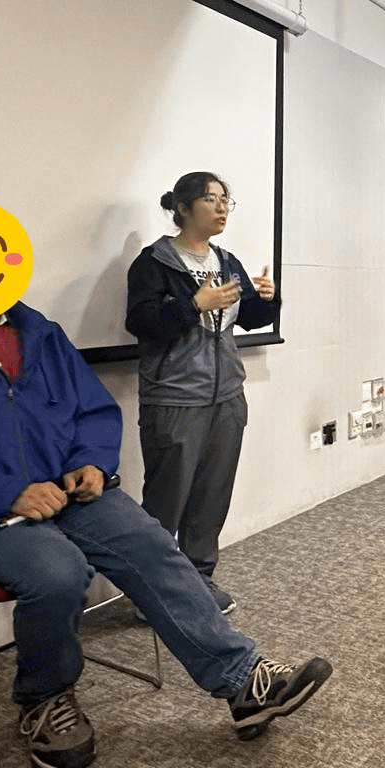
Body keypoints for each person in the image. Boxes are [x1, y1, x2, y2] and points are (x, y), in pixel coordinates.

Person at [0, 225, 329, 768]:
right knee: (58, 571)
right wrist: (6, 492)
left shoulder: (41, 334)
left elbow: (91, 409)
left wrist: (91, 461)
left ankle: (242, 680)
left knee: (151, 541)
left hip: (64, 493)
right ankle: (44, 699)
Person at [126, 171, 279, 614]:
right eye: (211, 199)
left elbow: (249, 318)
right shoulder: (153, 263)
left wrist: (266, 299)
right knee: (165, 501)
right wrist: (192, 305)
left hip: (227, 396)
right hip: (175, 398)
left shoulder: (227, 261)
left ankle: (198, 581)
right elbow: (141, 322)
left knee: (212, 496)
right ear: (182, 208)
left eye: (227, 200)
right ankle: (152, 593)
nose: (222, 208)